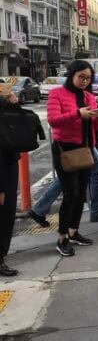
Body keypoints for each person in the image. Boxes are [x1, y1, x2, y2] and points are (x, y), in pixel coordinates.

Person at [47, 60, 98, 256]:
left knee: (81, 194)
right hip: (66, 149)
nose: (85, 81)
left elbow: (93, 126)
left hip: (86, 149)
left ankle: (73, 231)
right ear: (71, 75)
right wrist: (78, 114)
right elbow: (53, 121)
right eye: (81, 77)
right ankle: (62, 237)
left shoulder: (89, 96)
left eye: (88, 78)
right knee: (70, 193)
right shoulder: (57, 93)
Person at [0, 89, 21, 276]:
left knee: (7, 214)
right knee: (4, 214)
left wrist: (13, 104)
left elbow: (20, 123)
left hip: (8, 165)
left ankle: (1, 256)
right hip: (2, 171)